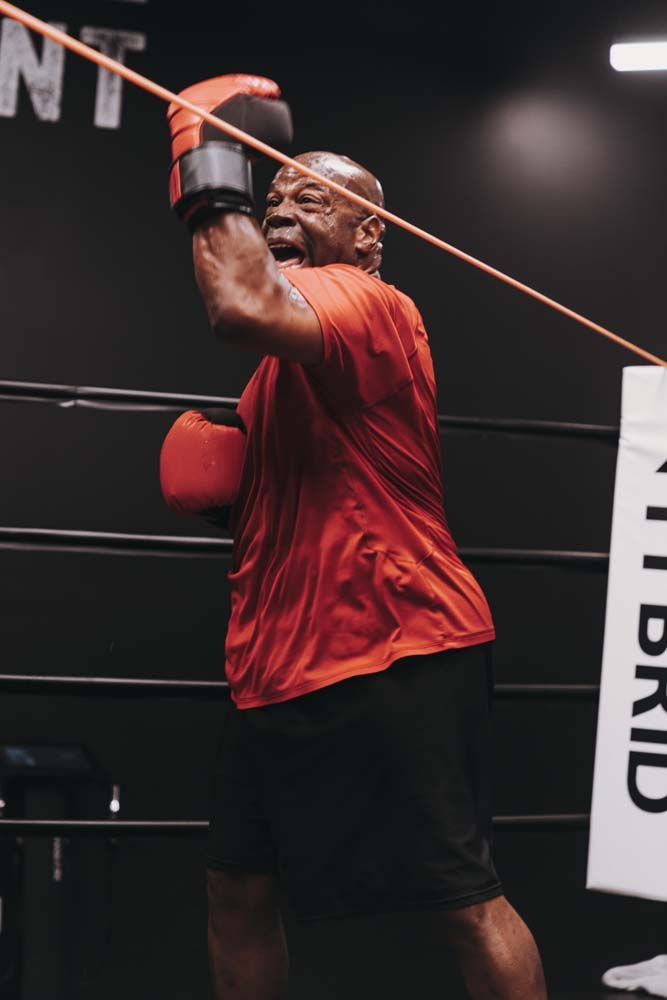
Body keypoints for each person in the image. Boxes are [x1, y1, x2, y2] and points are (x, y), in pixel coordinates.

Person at [159, 73, 547, 999]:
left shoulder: (366, 302)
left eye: (309, 198)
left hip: (392, 642)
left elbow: (239, 304)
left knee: (461, 899)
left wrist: (205, 158)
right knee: (236, 892)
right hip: (273, 664)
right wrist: (238, 500)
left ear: (368, 235)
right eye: (271, 197)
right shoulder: (282, 368)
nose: (280, 208)